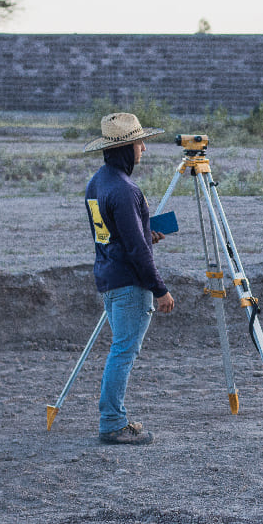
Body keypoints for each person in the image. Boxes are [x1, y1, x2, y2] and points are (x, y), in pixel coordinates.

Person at [83, 112, 174, 445]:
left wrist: (146, 233)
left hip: (108, 278)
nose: (144, 150)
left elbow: (115, 235)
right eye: (140, 143)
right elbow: (136, 251)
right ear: (125, 148)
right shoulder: (125, 190)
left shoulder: (98, 182)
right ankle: (112, 422)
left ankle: (113, 418)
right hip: (128, 285)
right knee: (123, 353)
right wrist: (160, 289)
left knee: (119, 350)